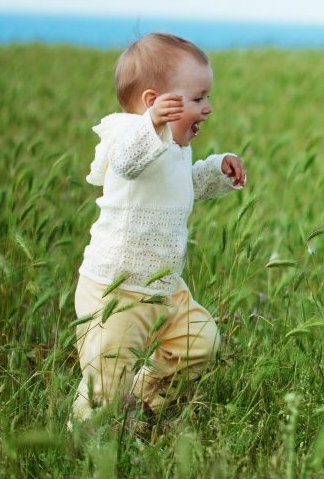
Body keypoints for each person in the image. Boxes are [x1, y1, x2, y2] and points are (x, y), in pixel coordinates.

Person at [72, 32, 247, 424]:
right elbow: (125, 162)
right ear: (155, 102)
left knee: (199, 343)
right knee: (105, 384)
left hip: (164, 286)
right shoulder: (129, 136)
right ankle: (82, 440)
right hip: (118, 288)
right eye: (197, 98)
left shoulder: (176, 147)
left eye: (207, 98)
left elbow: (182, 187)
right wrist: (150, 124)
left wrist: (217, 170)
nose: (208, 108)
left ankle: (143, 405)